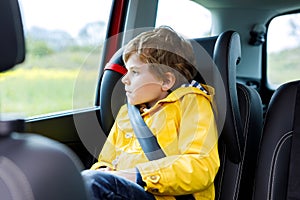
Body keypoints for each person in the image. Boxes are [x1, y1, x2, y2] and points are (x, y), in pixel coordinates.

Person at [81, 26, 220, 200]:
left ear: (166, 80)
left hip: (162, 196)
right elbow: (106, 160)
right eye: (126, 71)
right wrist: (102, 170)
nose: (124, 79)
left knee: (93, 183)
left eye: (135, 72)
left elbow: (200, 166)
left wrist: (137, 175)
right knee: (75, 181)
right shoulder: (127, 113)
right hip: (123, 191)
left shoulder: (192, 103)